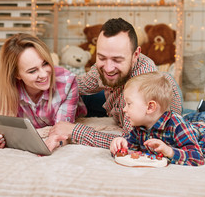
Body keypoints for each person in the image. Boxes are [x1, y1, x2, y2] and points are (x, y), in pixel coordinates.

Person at [49, 17, 183, 149]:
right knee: (82, 98)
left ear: (135, 55)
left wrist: (74, 130)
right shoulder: (101, 68)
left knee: (191, 120)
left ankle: (200, 114)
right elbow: (78, 85)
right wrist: (45, 78)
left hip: (165, 91)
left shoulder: (145, 80)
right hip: (117, 106)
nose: (108, 68)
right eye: (101, 57)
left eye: (117, 60)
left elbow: (132, 142)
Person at [110, 72, 205, 166]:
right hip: (192, 123)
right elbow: (132, 147)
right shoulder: (140, 127)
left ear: (150, 107)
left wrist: (169, 151)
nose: (124, 109)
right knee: (191, 119)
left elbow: (196, 158)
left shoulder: (176, 125)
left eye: (129, 104)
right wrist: (120, 143)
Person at [0, 33, 87, 151]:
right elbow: (4, 131)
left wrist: (56, 140)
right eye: (32, 71)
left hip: (86, 101)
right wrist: (0, 139)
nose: (44, 74)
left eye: (45, 63)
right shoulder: (5, 89)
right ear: (17, 75)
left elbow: (62, 131)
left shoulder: (67, 81)